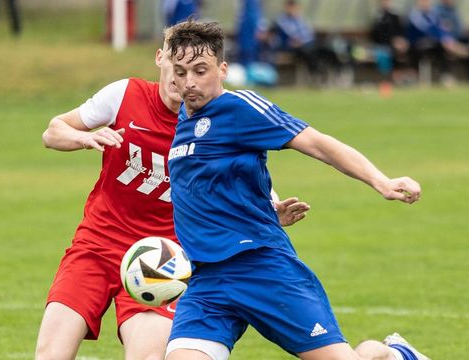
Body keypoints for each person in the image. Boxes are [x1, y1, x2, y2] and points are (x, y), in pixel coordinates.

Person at [36, 29, 309, 360]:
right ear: (161, 58)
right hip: (97, 245)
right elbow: (53, 131)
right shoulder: (124, 94)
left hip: (164, 257)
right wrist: (83, 138)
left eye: (195, 70)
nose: (183, 80)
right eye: (177, 66)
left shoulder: (214, 121)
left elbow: (245, 181)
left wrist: (271, 209)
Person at [164, 20, 428, 360]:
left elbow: (318, 144)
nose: (189, 83)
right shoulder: (183, 123)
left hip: (260, 267)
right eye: (181, 72)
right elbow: (218, 183)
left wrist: (382, 181)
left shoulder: (241, 107)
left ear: (223, 69)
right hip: (205, 280)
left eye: (200, 71)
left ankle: (392, 354)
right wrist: (269, 207)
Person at [369, 0, 411, 86]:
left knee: (402, 51)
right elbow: (374, 35)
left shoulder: (395, 16)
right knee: (384, 53)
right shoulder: (377, 17)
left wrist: (399, 41)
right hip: (381, 45)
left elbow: (399, 32)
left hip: (394, 45)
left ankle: (403, 77)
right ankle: (389, 79)